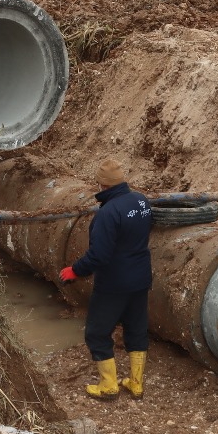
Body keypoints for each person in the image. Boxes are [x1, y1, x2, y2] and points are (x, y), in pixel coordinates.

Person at [59, 158, 151, 401]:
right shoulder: (141, 201)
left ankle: (109, 385)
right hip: (141, 278)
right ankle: (136, 383)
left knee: (98, 333)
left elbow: (99, 255)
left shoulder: (108, 213)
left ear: (102, 184)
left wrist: (75, 270)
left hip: (114, 283)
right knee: (136, 329)